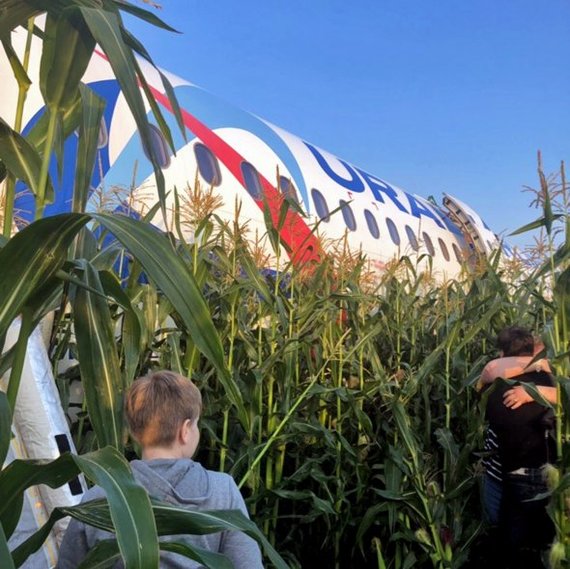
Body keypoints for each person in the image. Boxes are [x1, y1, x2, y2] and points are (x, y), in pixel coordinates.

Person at [57, 370, 263, 569]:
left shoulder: (99, 498)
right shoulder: (222, 491)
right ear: (185, 431)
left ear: (135, 434)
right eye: (196, 425)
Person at [480, 327, 555, 568]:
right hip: (539, 472)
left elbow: (490, 371)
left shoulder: (494, 385)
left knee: (508, 535)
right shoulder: (549, 379)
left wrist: (532, 390)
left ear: (501, 351)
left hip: (506, 473)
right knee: (542, 539)